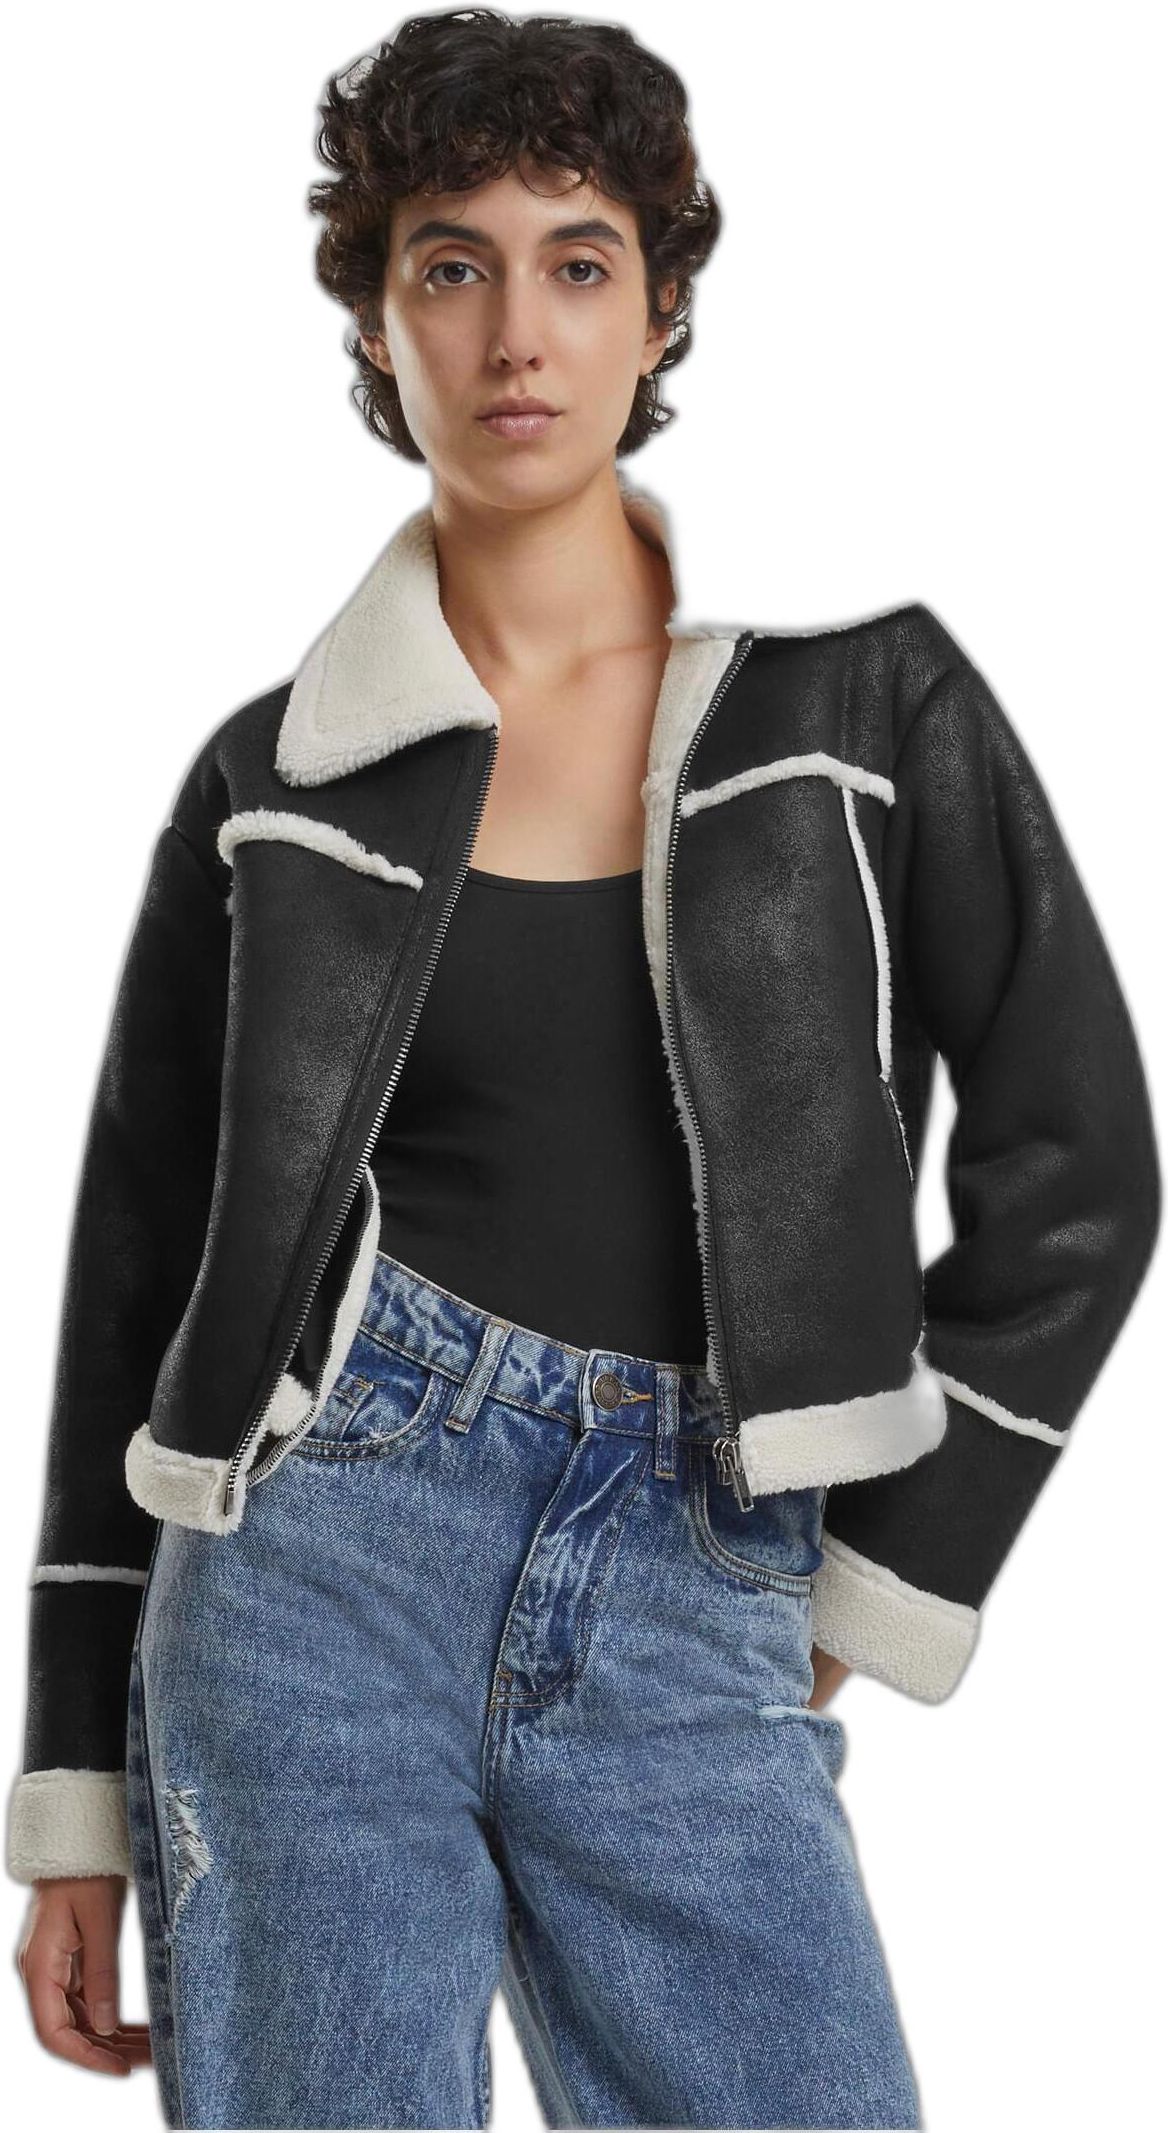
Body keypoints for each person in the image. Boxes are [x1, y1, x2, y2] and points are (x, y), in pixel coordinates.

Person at [7, 12, 1160, 2129]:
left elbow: (1081, 1160)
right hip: (308, 1568)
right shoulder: (273, 781)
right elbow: (140, 1281)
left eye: (578, 259)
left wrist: (887, 1561)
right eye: (449, 264)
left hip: (700, 1547)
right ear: (377, 318)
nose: (515, 332)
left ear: (660, 305)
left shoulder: (863, 695)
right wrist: (73, 1778)